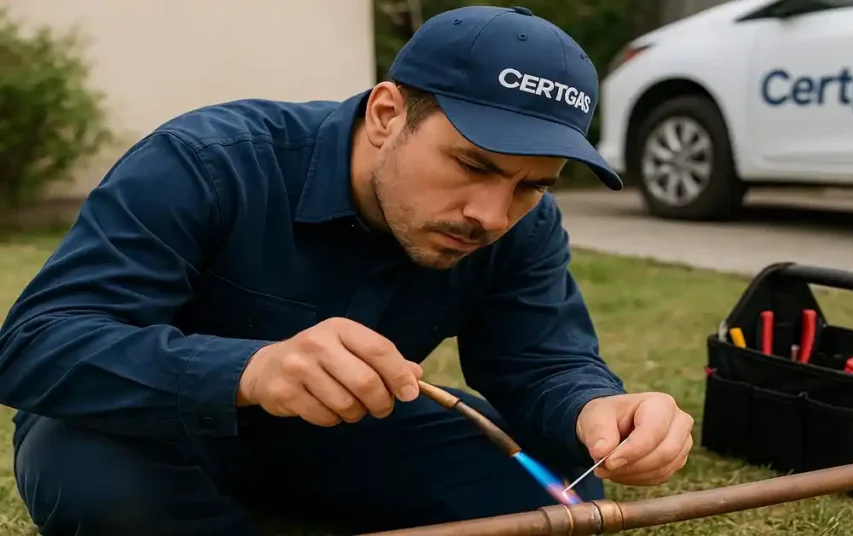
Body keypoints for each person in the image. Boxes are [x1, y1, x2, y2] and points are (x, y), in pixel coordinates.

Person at [0, 5, 694, 535]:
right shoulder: (208, 161)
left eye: (531, 184)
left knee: (564, 490)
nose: (490, 212)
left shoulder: (523, 224)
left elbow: (540, 363)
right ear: (389, 113)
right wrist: (249, 371)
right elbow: (36, 344)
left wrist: (596, 408)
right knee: (99, 485)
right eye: (473, 165)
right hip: (151, 427)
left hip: (344, 437)